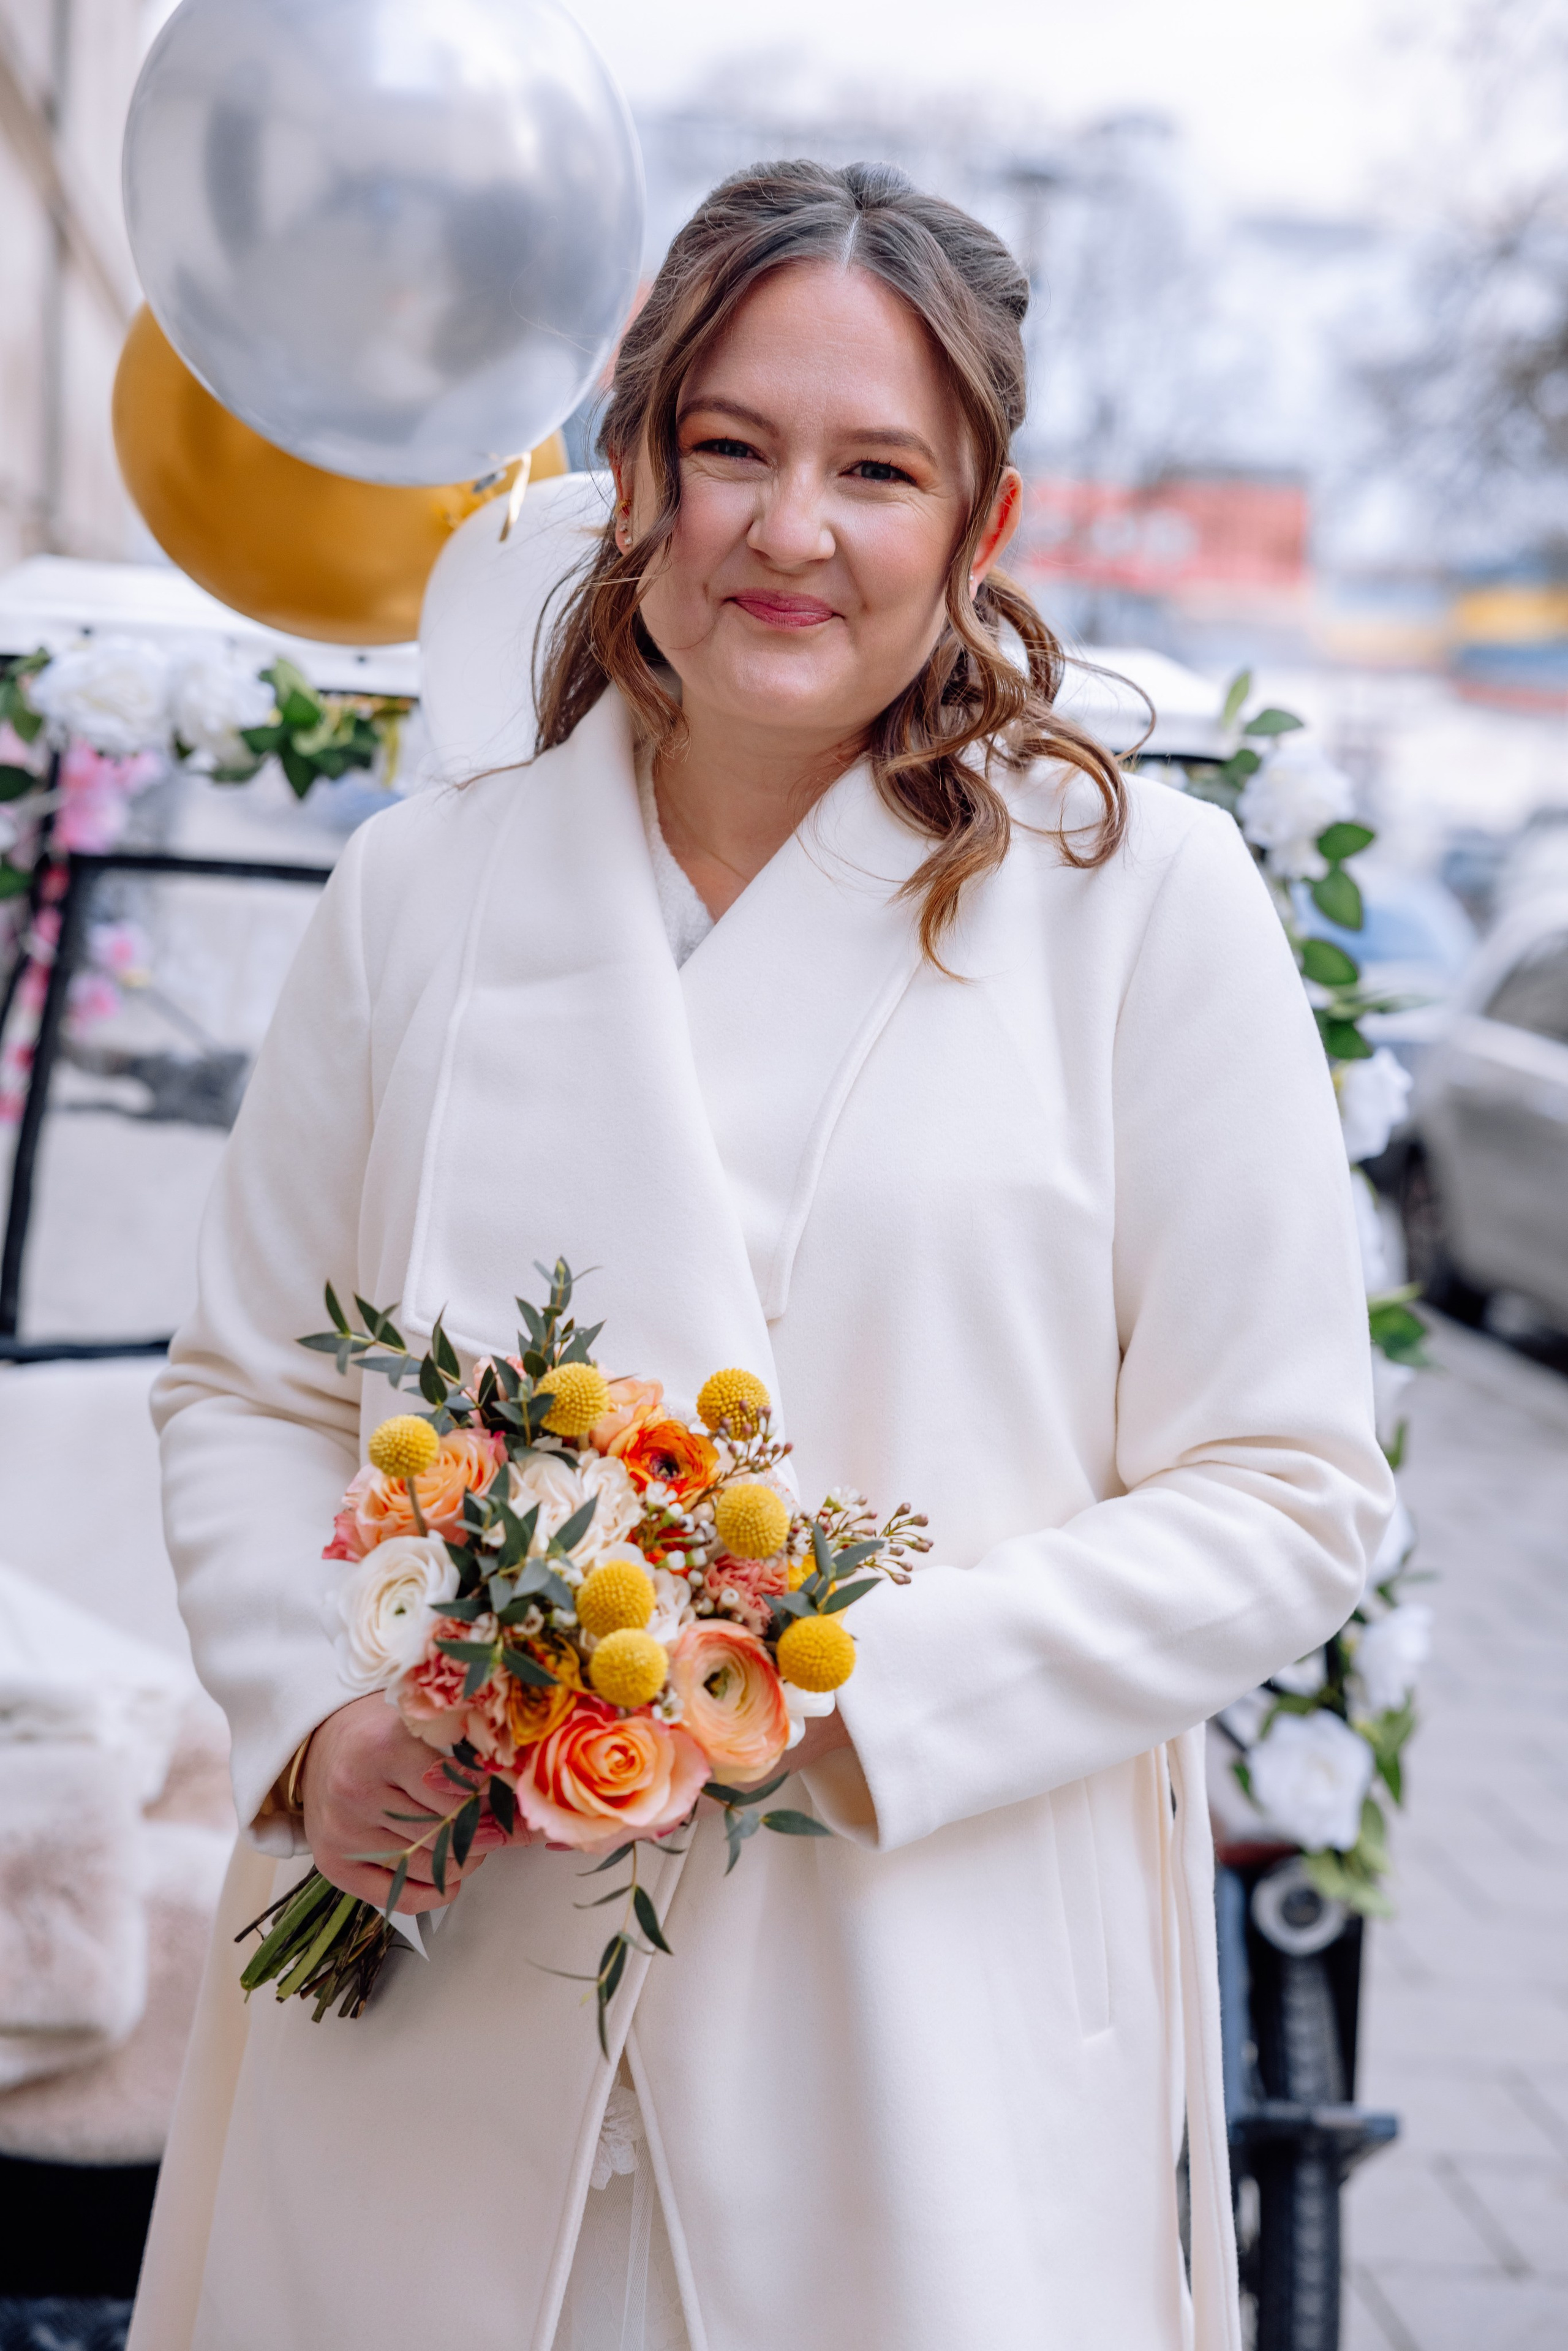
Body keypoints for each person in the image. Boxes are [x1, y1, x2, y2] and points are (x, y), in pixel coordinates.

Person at [134, 160, 1391, 2351]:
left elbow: (1291, 1491)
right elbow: (246, 1386)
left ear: (981, 527)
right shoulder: (419, 899)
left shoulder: (1141, 911)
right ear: (636, 472)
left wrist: (814, 1686)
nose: (788, 532)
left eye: (875, 471)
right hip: (444, 1995)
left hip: (919, 2012)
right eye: (730, 449)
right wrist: (323, 1725)